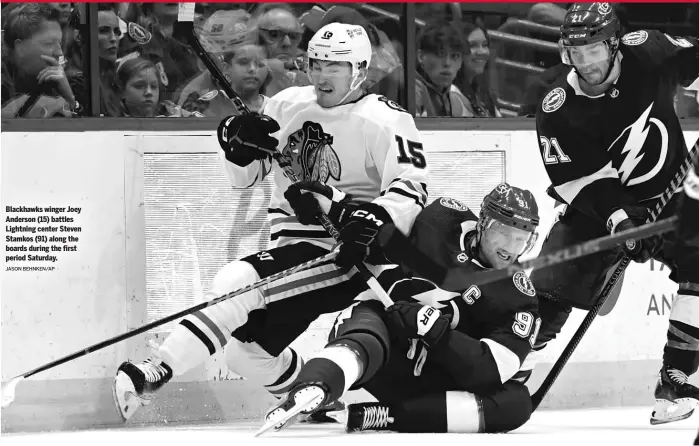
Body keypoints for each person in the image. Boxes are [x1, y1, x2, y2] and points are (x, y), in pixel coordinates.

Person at [112, 22, 428, 421]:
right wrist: (236, 145)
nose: (320, 75)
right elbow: (242, 178)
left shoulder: (386, 119)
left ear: (360, 69)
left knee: (236, 283)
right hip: (293, 249)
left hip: (344, 252)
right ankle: (318, 402)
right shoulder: (286, 104)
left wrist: (373, 217)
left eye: (334, 66)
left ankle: (155, 372)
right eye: (316, 63)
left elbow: (412, 188)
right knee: (247, 355)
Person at [529, 2, 699, 425]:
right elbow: (583, 182)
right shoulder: (557, 109)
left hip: (672, 196)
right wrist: (621, 221)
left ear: (615, 44)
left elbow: (694, 57)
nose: (584, 63)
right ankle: (504, 363)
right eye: (574, 52)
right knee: (550, 291)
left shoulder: (648, 52)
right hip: (598, 211)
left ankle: (675, 382)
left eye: (593, 51)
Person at [261, 184, 541, 434]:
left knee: (516, 404)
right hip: (381, 341)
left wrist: (434, 331)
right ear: (482, 223)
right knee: (366, 330)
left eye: (521, 238)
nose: (511, 247)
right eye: (503, 233)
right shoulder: (442, 220)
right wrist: (334, 206)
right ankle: (315, 386)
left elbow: (488, 372)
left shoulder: (516, 295)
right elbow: (381, 225)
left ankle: (384, 417)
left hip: (431, 382)